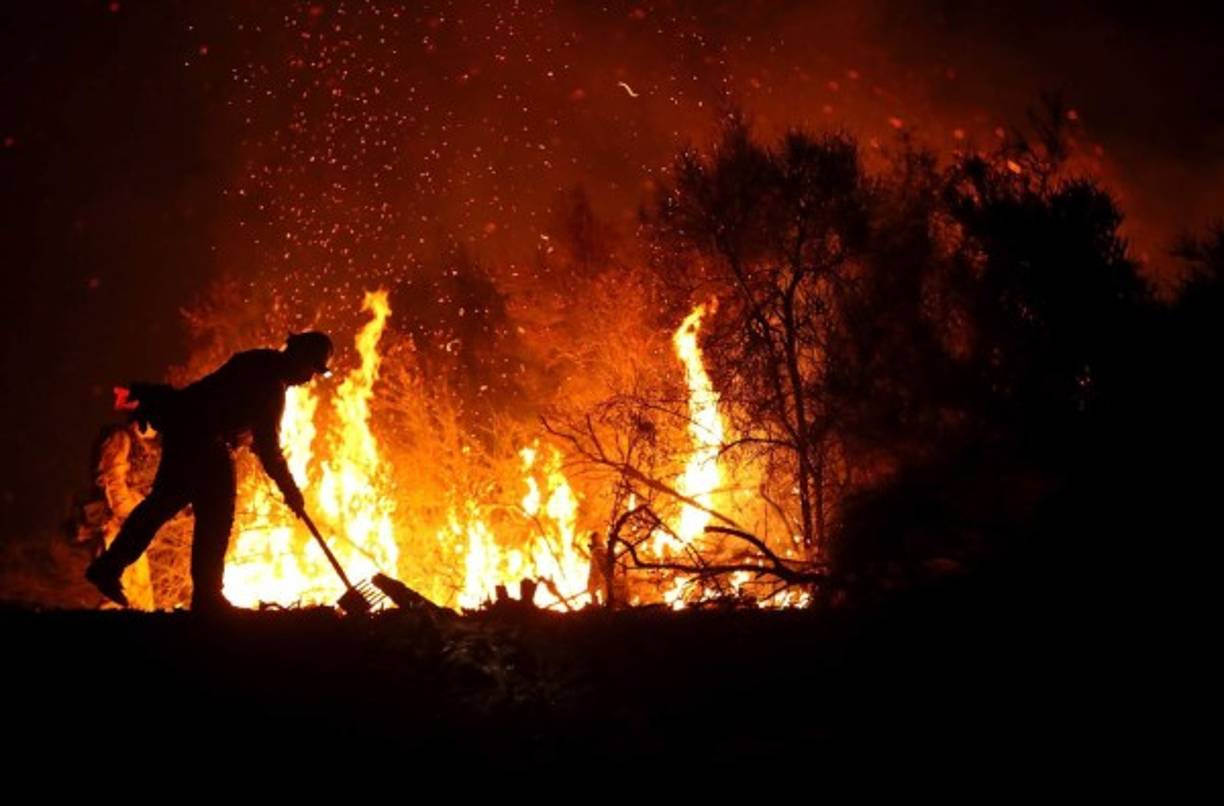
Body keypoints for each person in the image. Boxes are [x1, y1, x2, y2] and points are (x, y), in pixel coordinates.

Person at [84, 332, 333, 612]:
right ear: (299, 357)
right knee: (216, 518)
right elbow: (269, 447)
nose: (310, 377)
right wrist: (290, 490)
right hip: (208, 443)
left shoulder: (256, 360)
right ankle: (207, 597)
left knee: (160, 506)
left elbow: (226, 404)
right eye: (312, 368)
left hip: (185, 433)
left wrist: (244, 435)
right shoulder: (272, 384)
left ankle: (108, 566)